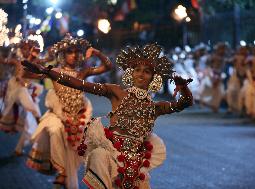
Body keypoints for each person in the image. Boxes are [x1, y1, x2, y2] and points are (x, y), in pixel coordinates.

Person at [22, 43, 193, 189]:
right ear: (130, 73)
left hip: (136, 164)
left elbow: (183, 104)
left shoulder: (155, 107)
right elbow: (79, 84)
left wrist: (183, 88)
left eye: (147, 71)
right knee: (98, 156)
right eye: (137, 70)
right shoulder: (116, 92)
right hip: (110, 155)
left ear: (153, 77)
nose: (141, 74)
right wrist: (47, 71)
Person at [25, 34, 112, 189]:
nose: (73, 55)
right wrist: (38, 58)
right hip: (58, 115)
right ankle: (61, 170)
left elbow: (107, 67)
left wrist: (96, 52)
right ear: (63, 54)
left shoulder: (82, 73)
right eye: (69, 52)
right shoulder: (54, 71)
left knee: (75, 154)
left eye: (76, 52)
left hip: (79, 118)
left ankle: (65, 175)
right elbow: (28, 74)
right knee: (54, 129)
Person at [0, 39, 43, 156]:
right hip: (16, 90)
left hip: (28, 92)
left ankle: (19, 148)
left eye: (29, 49)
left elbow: (46, 62)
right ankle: (38, 116)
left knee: (30, 124)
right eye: (24, 48)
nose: (26, 51)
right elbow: (5, 61)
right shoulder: (17, 61)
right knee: (25, 96)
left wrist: (52, 54)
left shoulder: (36, 62)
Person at [226, 46, 248, 115]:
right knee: (231, 91)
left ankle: (243, 109)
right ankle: (231, 107)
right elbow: (229, 61)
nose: (242, 51)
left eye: (243, 50)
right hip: (235, 77)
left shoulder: (248, 58)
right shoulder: (236, 57)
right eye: (241, 50)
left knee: (244, 93)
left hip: (246, 77)